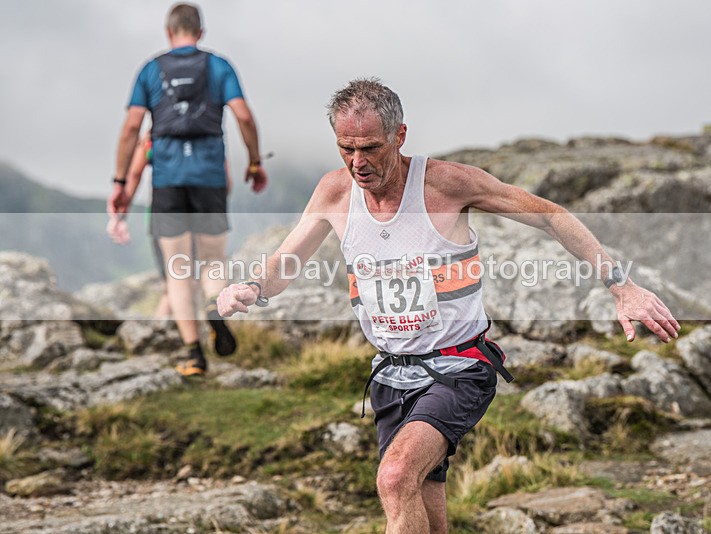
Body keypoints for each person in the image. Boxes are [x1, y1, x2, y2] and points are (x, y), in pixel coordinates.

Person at [216, 78, 680, 533]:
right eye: (346, 148)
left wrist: (622, 286)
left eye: (371, 148)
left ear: (400, 136)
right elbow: (286, 263)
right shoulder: (334, 192)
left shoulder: (447, 184)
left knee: (395, 478)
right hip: (390, 374)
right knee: (421, 502)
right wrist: (252, 288)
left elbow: (552, 217)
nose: (358, 162)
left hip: (459, 367)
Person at [108, 3, 268, 376]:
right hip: (209, 177)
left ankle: (194, 355)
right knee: (213, 259)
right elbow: (243, 116)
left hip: (168, 181)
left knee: (177, 270)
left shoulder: (151, 69)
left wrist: (119, 183)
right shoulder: (218, 66)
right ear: (200, 32)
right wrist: (256, 162)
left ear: (169, 32)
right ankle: (215, 304)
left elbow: (131, 128)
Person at [107, 131, 231, 319]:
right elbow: (227, 181)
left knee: (173, 281)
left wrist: (121, 215)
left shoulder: (152, 138)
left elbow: (134, 174)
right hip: (204, 209)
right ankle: (211, 309)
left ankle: (160, 335)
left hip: (164, 214)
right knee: (201, 273)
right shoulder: (209, 134)